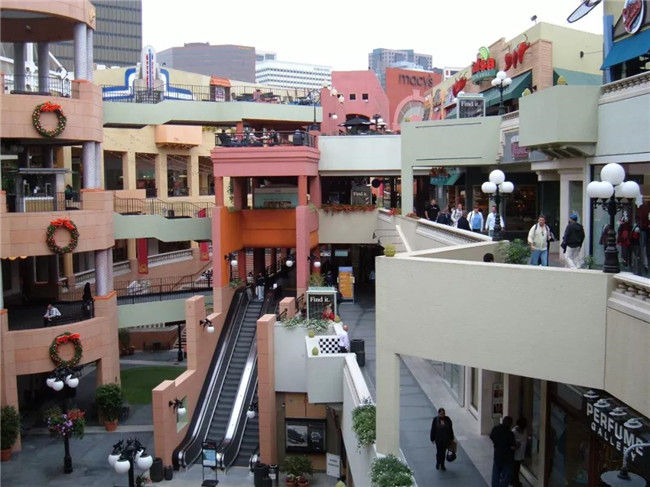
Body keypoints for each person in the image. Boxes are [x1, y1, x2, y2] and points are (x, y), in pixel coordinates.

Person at [490, 416, 516, 487]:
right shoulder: (510, 434)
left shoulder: (496, 429)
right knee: (507, 475)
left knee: (496, 474)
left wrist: (497, 443)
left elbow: (491, 436)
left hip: (498, 455)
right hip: (507, 457)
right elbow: (513, 446)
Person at [512, 417, 528, 487]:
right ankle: (516, 483)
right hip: (515, 455)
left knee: (517, 469)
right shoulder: (514, 432)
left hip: (521, 454)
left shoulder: (525, 431)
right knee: (515, 469)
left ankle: (514, 481)